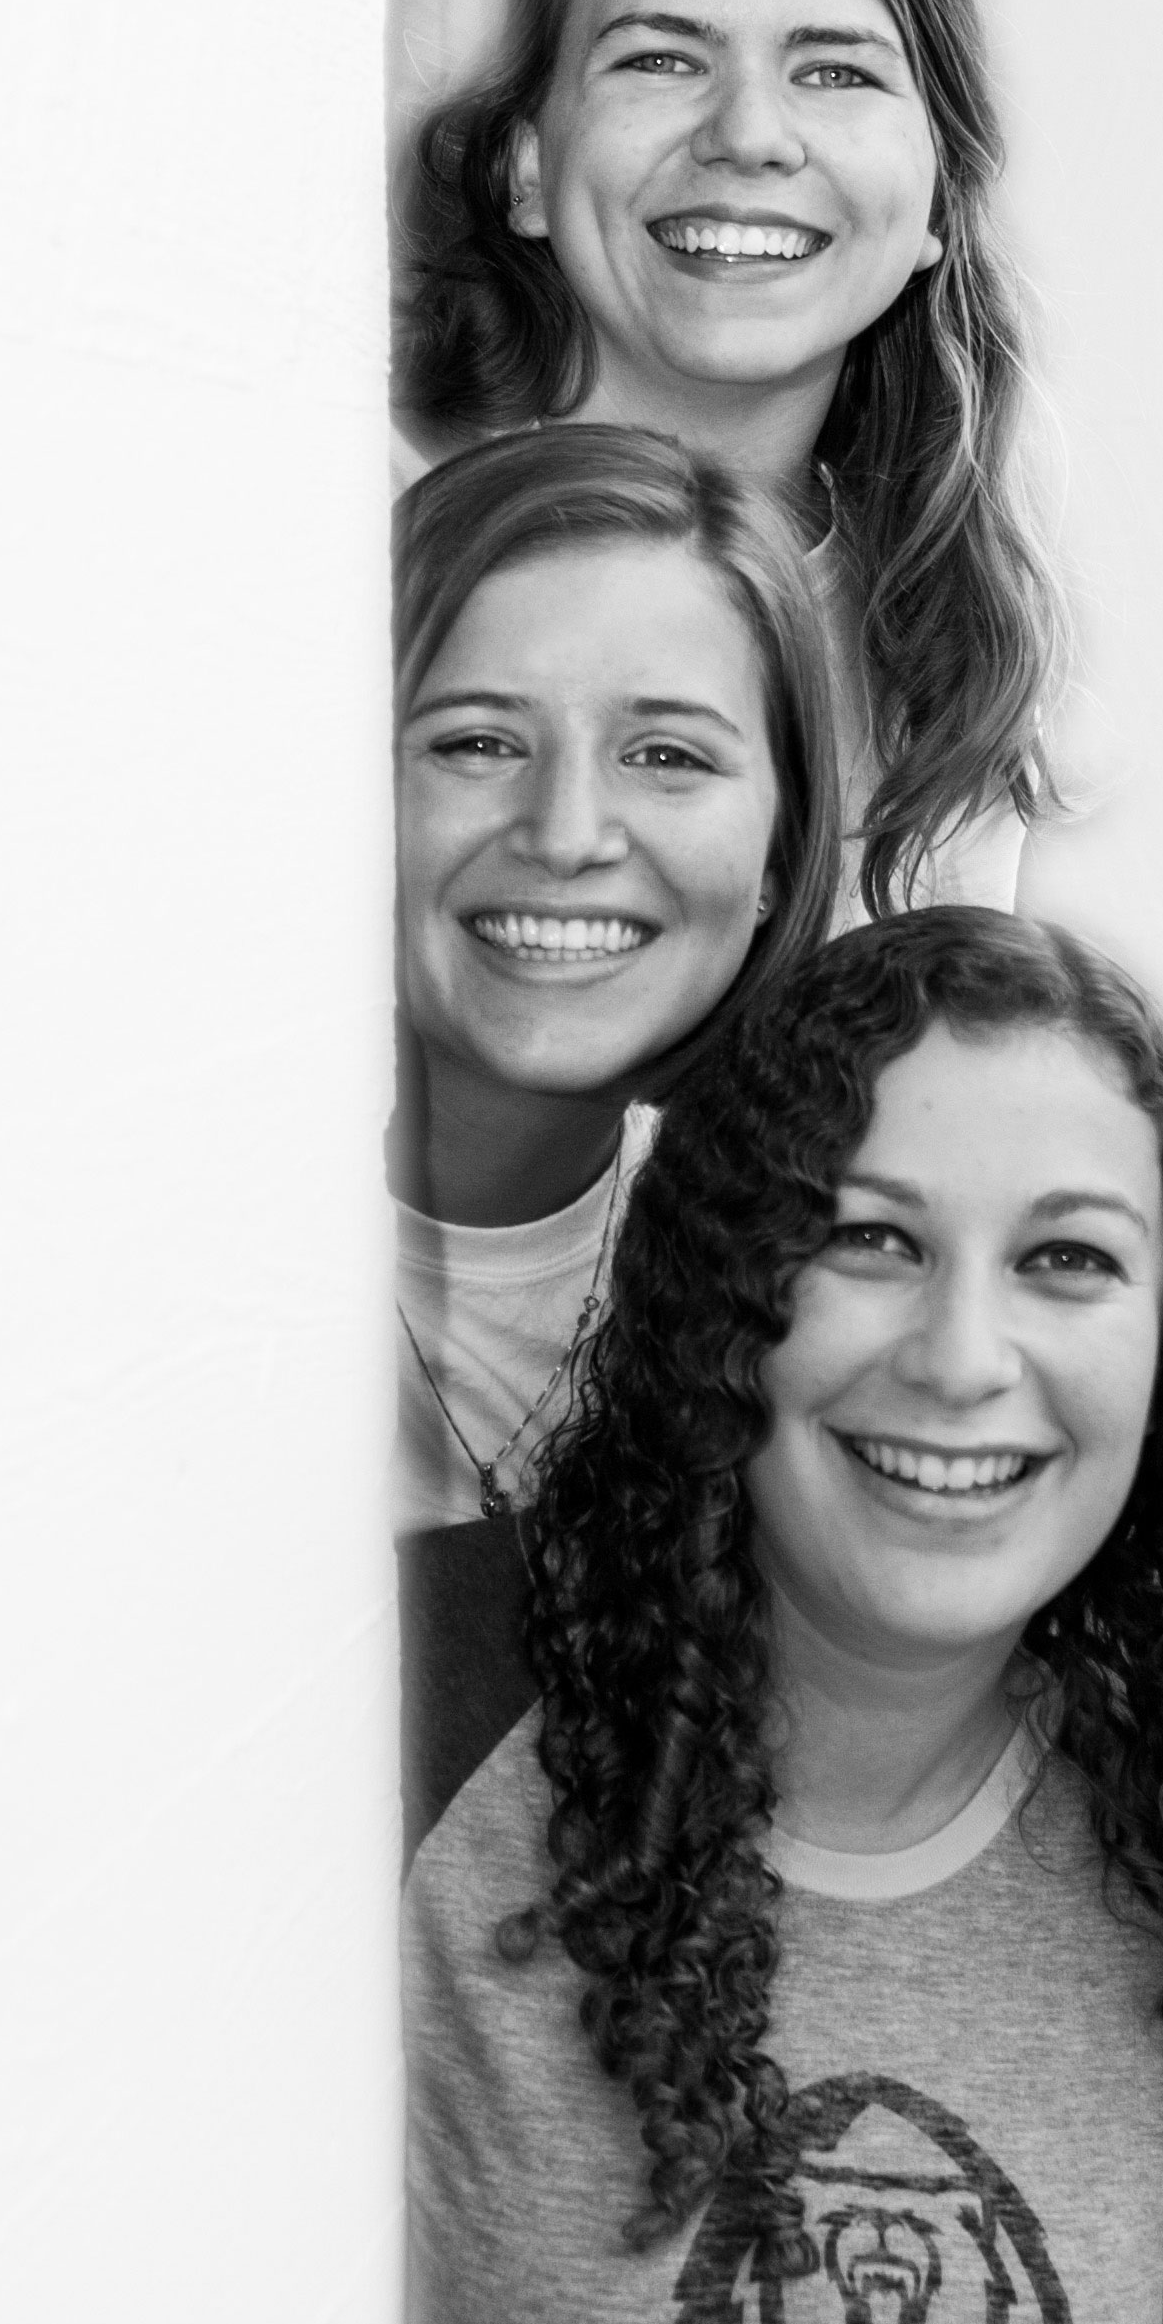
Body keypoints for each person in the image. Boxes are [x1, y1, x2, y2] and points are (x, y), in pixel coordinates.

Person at [404, 910, 1163, 2324]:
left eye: (1068, 1260)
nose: (958, 1353)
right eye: (868, 1236)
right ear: (720, 1293)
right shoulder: (401, 1730)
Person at [395, 0, 1060, 920]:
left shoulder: (948, 653)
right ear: (526, 169)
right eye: (661, 59)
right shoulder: (374, 588)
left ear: (935, 202)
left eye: (836, 71)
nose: (749, 133)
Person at [392, 425, 840, 1554]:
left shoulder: (819, 1286)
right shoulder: (168, 1248)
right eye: (478, 742)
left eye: (668, 756)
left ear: (780, 853)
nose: (566, 834)